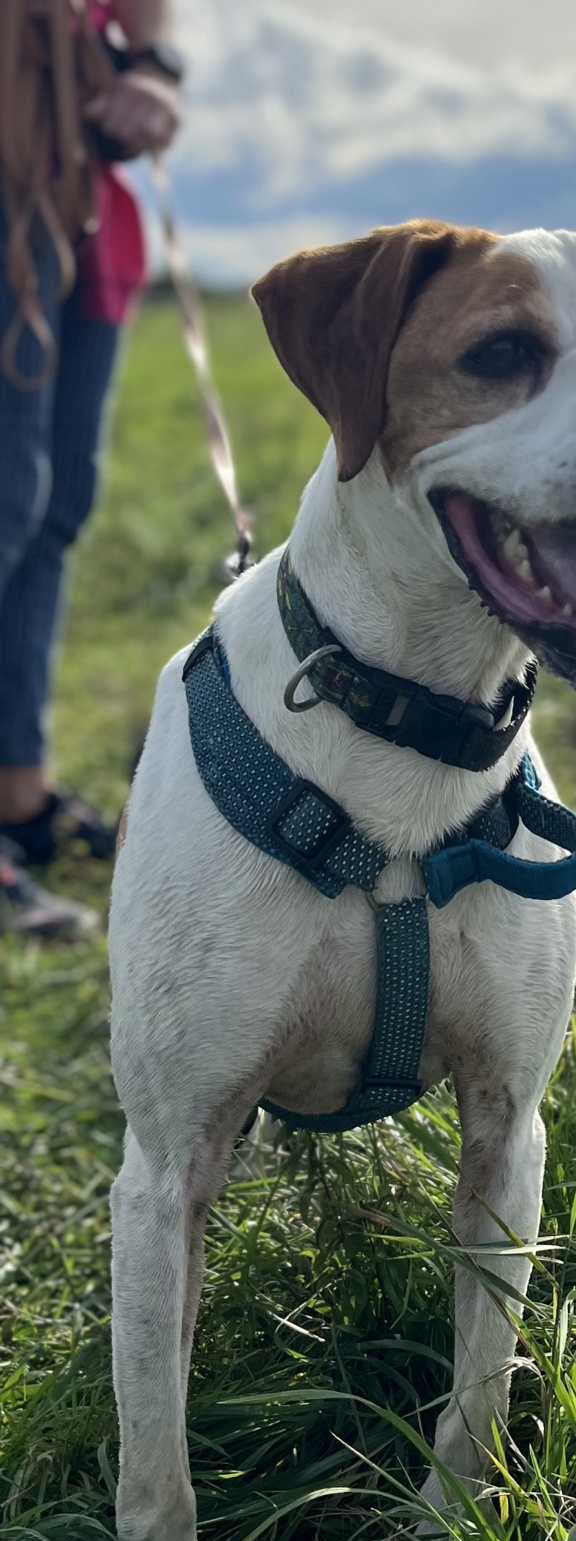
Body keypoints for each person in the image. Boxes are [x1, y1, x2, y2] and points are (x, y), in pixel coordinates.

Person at [0, 0, 182, 934]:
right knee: (6, 497)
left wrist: (154, 63)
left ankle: (18, 796)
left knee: (55, 501)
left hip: (73, 175)